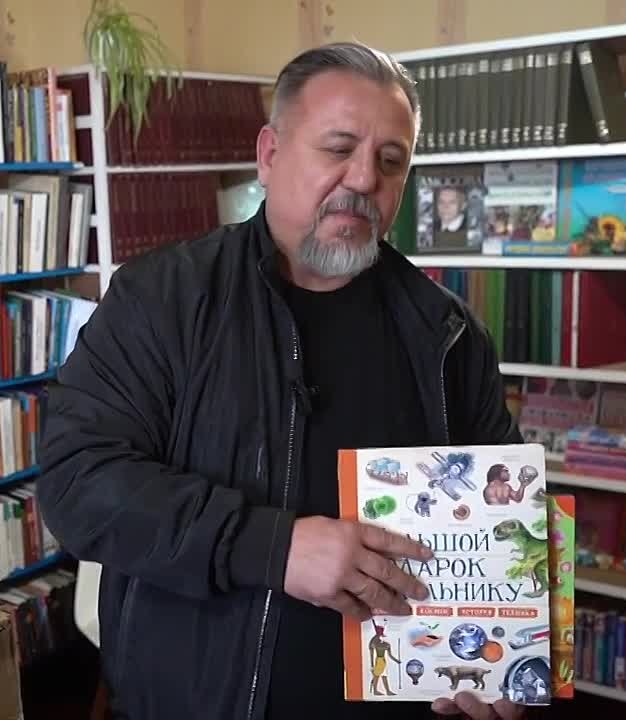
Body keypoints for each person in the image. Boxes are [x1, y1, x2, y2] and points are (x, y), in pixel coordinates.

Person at [37, 40, 524, 720]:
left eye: (391, 161)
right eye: (339, 148)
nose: (364, 178)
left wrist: (500, 658)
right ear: (269, 155)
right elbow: (76, 482)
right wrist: (276, 547)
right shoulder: (162, 299)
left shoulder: (448, 335)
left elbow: (505, 516)